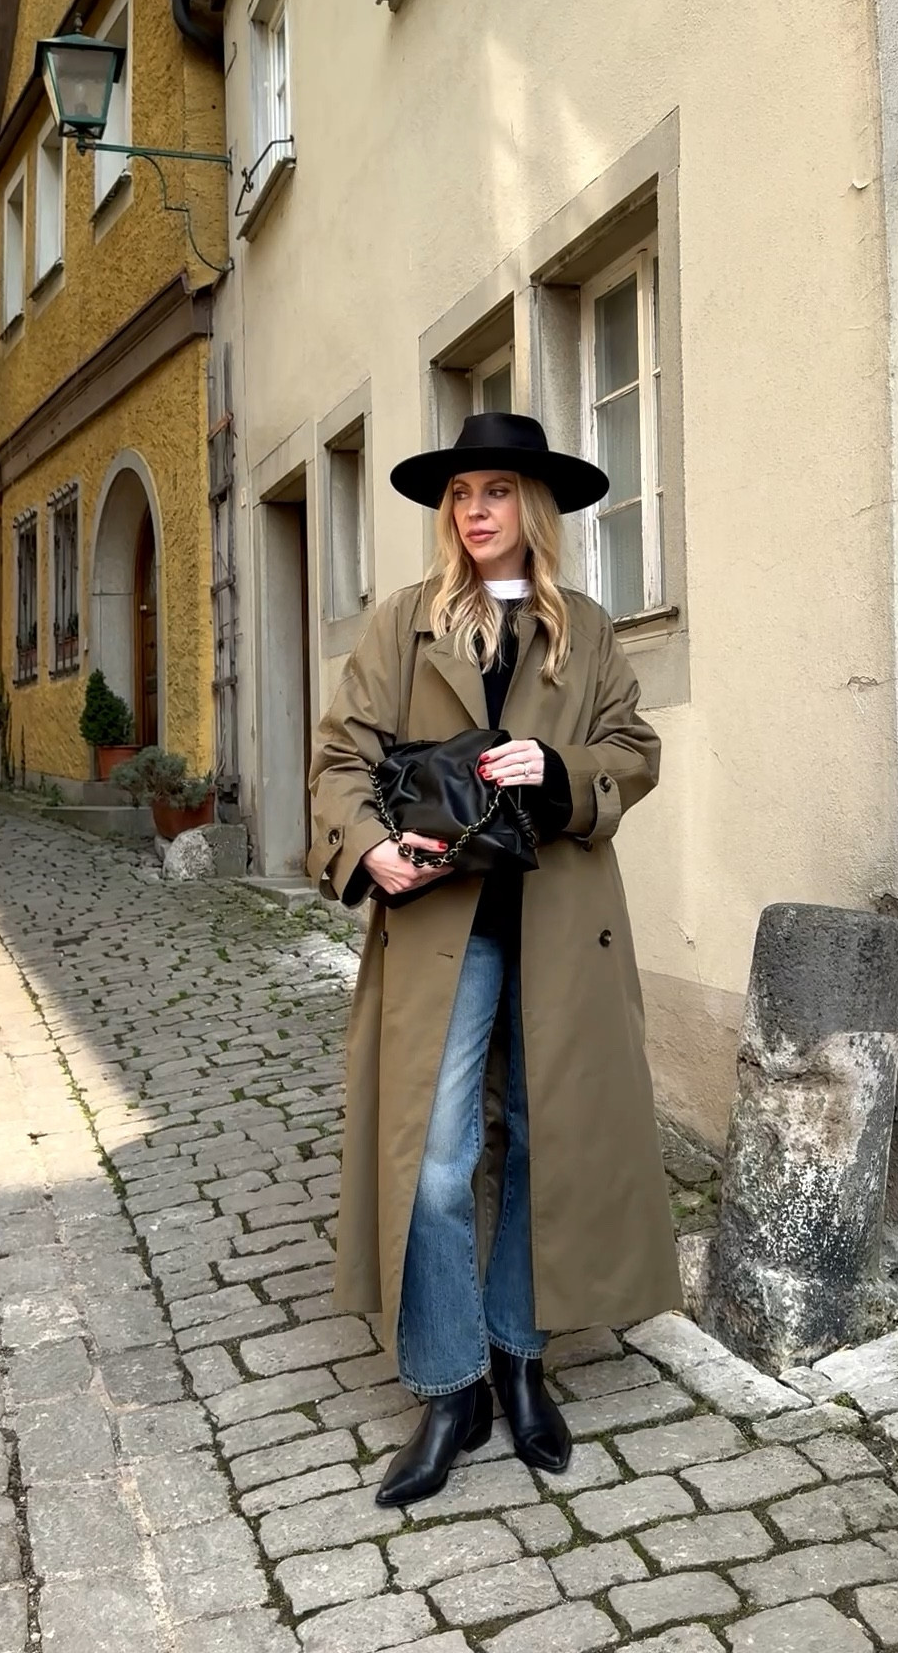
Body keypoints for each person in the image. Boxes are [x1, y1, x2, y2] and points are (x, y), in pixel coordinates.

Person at [308, 412, 682, 1506]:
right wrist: (371, 849)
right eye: (461, 492)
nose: (476, 511)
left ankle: (522, 1362)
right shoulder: (404, 623)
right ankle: (448, 1382)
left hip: (560, 917)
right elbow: (343, 757)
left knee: (541, 1143)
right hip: (442, 917)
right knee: (435, 1152)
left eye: (498, 491)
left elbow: (632, 753)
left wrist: (557, 768)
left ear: (534, 508)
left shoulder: (591, 630)